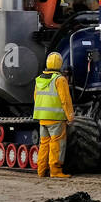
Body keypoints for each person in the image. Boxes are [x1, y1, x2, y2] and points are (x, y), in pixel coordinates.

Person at [33, 51, 74, 179]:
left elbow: (35, 98)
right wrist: (70, 117)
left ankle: (41, 171)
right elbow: (65, 100)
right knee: (57, 145)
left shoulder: (39, 80)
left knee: (44, 144)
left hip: (42, 118)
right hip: (56, 119)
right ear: (60, 64)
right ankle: (55, 171)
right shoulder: (60, 80)